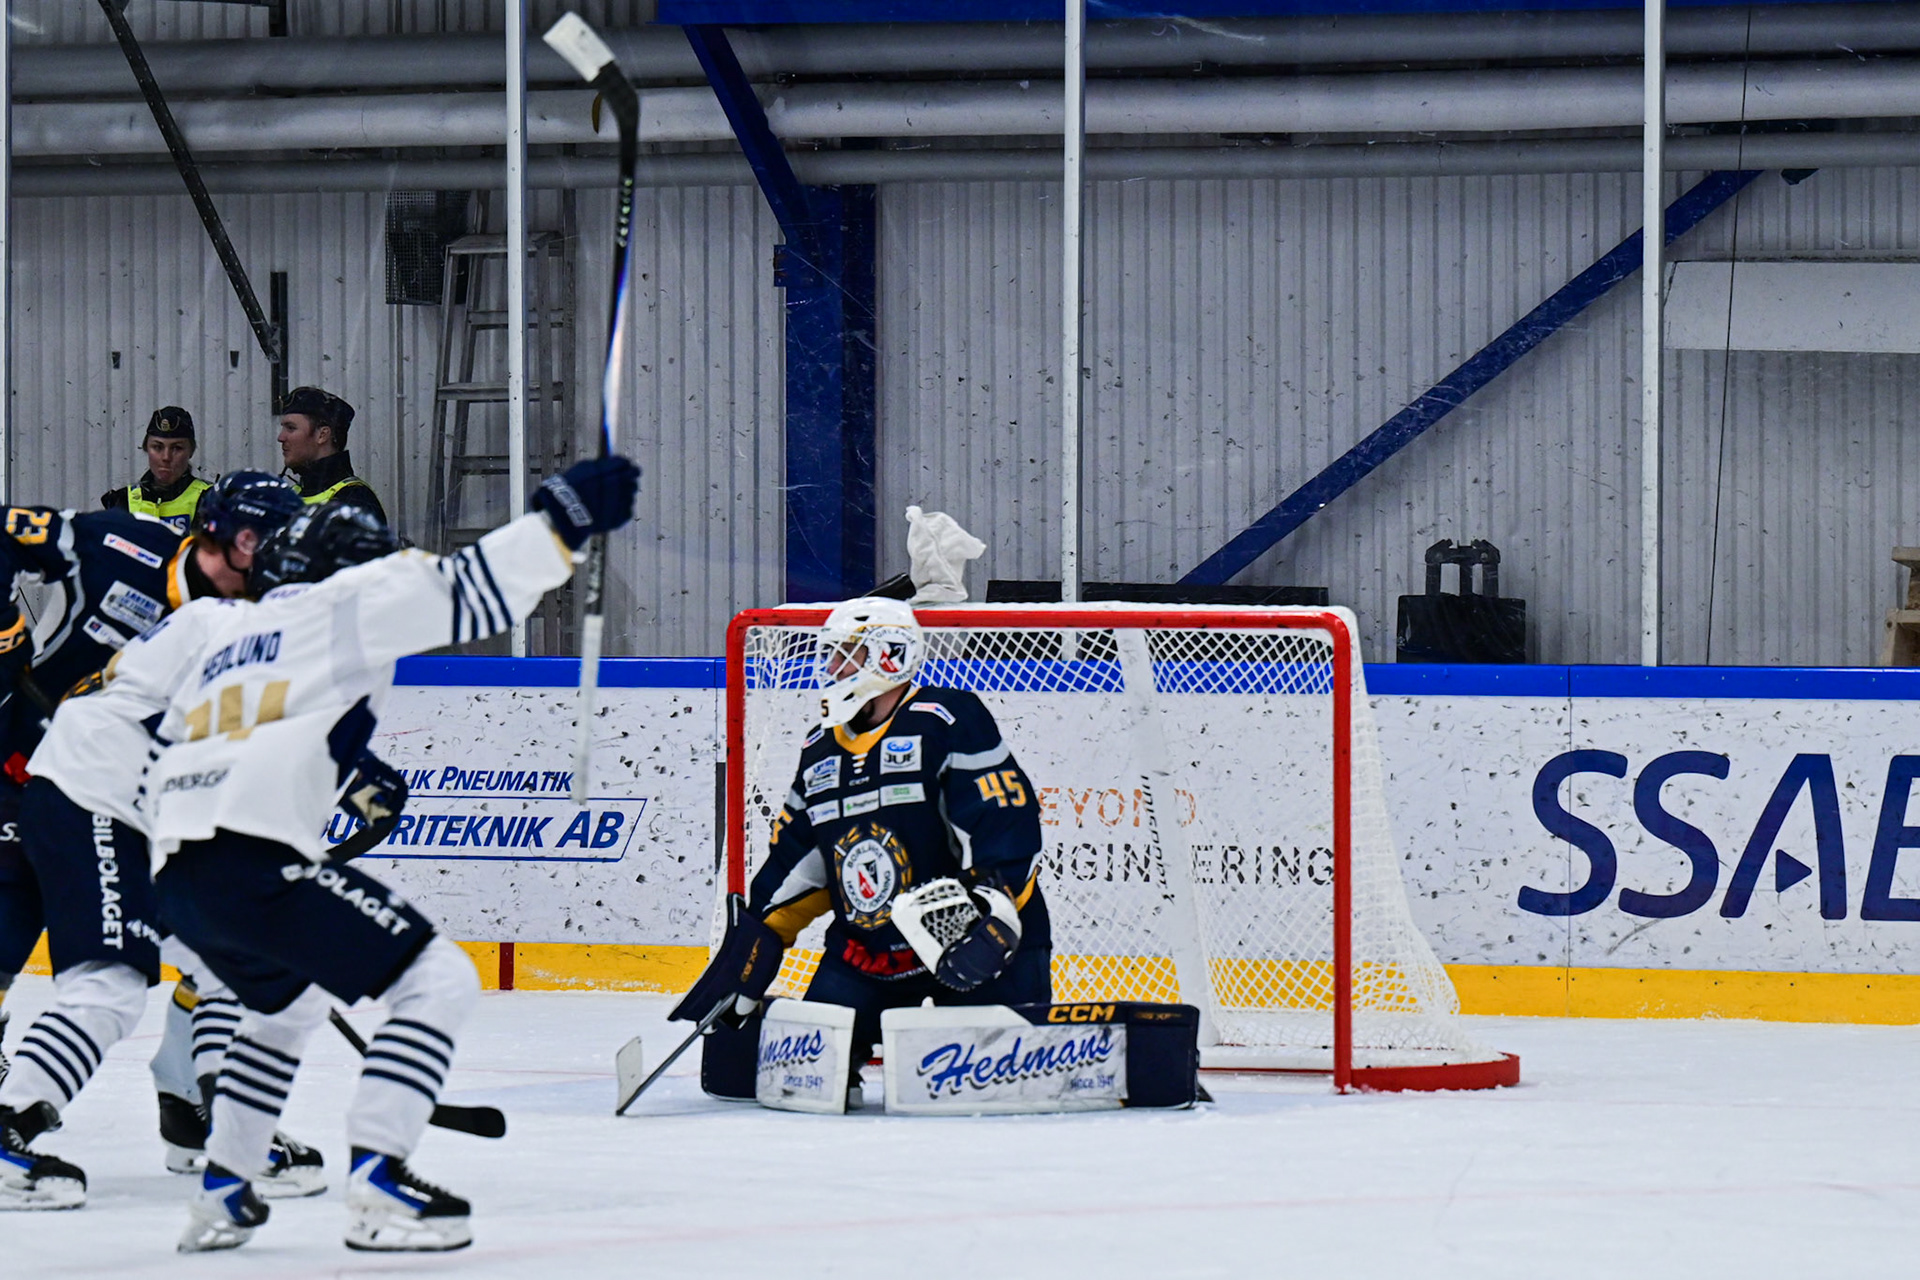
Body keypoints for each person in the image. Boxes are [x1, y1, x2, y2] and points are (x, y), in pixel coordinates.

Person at [122, 454, 635, 1252]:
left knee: (285, 1008)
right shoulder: (347, 602)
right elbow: (474, 589)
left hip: (178, 869)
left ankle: (223, 1188)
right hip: (254, 860)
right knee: (438, 979)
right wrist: (563, 519)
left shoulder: (229, 629)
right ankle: (378, 1176)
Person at [0, 474, 313, 1211]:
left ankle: (200, 1108)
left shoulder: (251, 627)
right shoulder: (120, 544)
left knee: (234, 950)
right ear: (234, 539)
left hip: (122, 801)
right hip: (18, 773)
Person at [673, 596, 1051, 1104]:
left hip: (970, 947)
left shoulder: (946, 718)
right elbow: (796, 862)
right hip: (869, 954)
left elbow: (1003, 819)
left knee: (990, 1086)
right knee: (802, 1082)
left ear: (889, 655)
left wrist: (996, 911)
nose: (831, 667)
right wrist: (751, 951)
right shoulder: (819, 747)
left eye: (846, 654)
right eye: (830, 654)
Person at [276, 386, 387, 525]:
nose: (281, 437)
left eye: (291, 428)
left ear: (322, 435)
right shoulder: (294, 493)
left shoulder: (354, 501)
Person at [100, 407, 212, 533]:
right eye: (157, 447)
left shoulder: (210, 499)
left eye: (177, 448)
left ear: (191, 451)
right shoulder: (122, 501)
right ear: (146, 448)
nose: (166, 457)